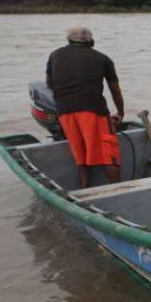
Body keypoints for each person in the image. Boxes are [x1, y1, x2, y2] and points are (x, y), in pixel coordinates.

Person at [46, 26, 124, 188]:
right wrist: (120, 112)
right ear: (92, 42)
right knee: (108, 154)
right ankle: (119, 190)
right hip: (93, 110)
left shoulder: (55, 55)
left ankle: (84, 189)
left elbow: (49, 83)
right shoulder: (102, 59)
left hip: (65, 112)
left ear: (69, 41)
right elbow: (115, 89)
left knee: (80, 154)